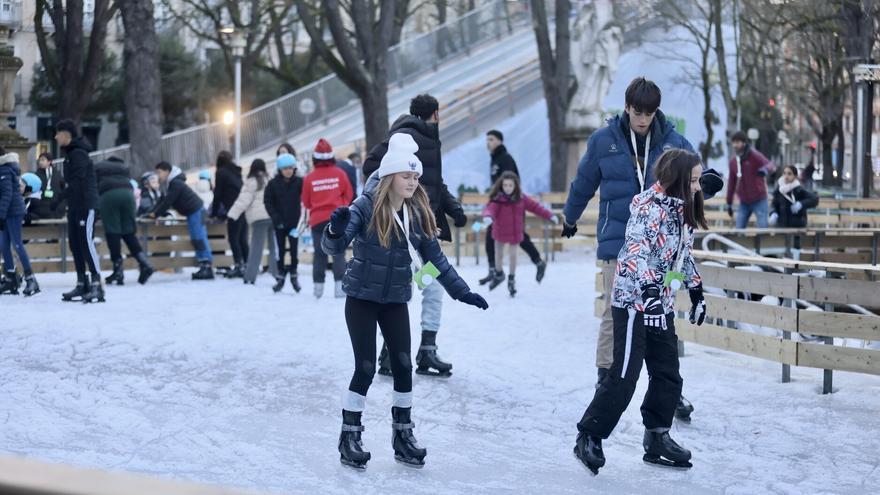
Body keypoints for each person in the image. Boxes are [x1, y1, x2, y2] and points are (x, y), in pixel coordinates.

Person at [323, 133, 488, 470]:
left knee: (403, 365)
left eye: (416, 177)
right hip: (362, 299)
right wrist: (335, 231)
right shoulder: (365, 206)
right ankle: (349, 435)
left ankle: (403, 435)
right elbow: (335, 250)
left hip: (396, 298)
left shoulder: (417, 213)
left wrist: (462, 291)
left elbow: (435, 259)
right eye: (406, 176)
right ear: (390, 177)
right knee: (366, 367)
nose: (413, 182)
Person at [561, 77, 720, 422]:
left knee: (660, 315)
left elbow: (695, 181)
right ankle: (606, 379)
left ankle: (667, 388)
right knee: (613, 313)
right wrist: (570, 218)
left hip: (661, 247)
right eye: (637, 112)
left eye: (649, 112)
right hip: (617, 241)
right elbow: (584, 182)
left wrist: (708, 185)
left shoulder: (675, 143)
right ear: (627, 107)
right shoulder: (604, 140)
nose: (643, 119)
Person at [573, 149, 708, 475]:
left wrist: (696, 288)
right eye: (692, 180)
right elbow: (635, 252)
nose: (697, 187)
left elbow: (681, 255)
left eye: (699, 180)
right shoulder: (648, 208)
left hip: (660, 303)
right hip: (634, 303)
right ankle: (589, 434)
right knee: (623, 375)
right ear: (676, 180)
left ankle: (657, 436)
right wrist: (648, 291)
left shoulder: (682, 210)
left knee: (668, 374)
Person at [363, 94, 468, 377]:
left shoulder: (428, 138)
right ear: (435, 113)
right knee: (407, 289)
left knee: (428, 286)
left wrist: (452, 208)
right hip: (404, 233)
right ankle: (393, 352)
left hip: (423, 234)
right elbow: (372, 167)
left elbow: (432, 183)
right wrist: (396, 205)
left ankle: (424, 351)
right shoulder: (406, 136)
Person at [479, 129, 548, 285]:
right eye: (487, 139)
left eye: (491, 139)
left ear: (499, 141)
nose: (488, 142)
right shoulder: (495, 158)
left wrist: (505, 202)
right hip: (499, 205)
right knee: (493, 234)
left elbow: (510, 184)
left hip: (510, 206)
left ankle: (535, 262)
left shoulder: (505, 159)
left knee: (518, 236)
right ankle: (495, 271)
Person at [482, 171, 557, 297]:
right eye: (505, 185)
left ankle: (511, 280)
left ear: (515, 186)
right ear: (501, 185)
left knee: (513, 256)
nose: (508, 188)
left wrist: (550, 215)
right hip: (499, 232)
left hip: (514, 233)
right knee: (498, 255)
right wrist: (488, 216)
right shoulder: (498, 199)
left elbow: (536, 207)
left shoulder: (521, 199)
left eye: (510, 185)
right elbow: (490, 209)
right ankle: (499, 274)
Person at [54, 119, 104, 303]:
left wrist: (58, 198)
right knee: (75, 244)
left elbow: (77, 182)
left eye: (57, 133)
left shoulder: (79, 154)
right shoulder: (70, 154)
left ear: (66, 134)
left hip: (86, 205)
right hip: (75, 206)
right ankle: (82, 283)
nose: (55, 137)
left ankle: (97, 285)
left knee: (86, 242)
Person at [302, 138, 353, 298]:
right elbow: (349, 195)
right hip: (336, 219)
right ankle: (340, 289)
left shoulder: (310, 178)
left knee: (319, 254)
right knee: (338, 252)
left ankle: (318, 290)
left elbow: (306, 201)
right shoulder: (340, 174)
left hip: (317, 220)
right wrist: (340, 205)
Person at [149, 162, 214, 280]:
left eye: (159, 172)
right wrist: (152, 212)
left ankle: (207, 266)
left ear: (167, 171)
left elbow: (168, 201)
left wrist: (156, 214)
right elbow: (163, 200)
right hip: (192, 212)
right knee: (196, 238)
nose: (158, 176)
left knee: (199, 238)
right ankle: (204, 265)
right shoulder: (172, 184)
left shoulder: (175, 183)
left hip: (196, 211)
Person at [95, 157, 155, 286]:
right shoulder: (123, 168)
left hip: (109, 195)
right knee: (128, 232)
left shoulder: (99, 166)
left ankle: (118, 270)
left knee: (113, 232)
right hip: (128, 195)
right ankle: (145, 263)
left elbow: (94, 186)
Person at [227, 159, 278, 285]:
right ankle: (277, 272)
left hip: (259, 219)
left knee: (256, 248)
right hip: (272, 216)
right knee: (274, 247)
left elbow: (243, 200)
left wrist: (232, 214)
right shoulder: (269, 179)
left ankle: (250, 276)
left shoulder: (251, 182)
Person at [0, 150, 39, 296]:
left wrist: (1, 215)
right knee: (3, 244)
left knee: (17, 244)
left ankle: (31, 279)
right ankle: (11, 278)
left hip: (13, 212)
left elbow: (7, 194)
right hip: (6, 212)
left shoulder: (4, 169)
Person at [264, 153, 304, 293]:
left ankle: (294, 274)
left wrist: (302, 220)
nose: (288, 171)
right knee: (280, 251)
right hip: (279, 223)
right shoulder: (272, 184)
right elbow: (268, 202)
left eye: (290, 168)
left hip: (294, 223)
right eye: (285, 168)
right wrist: (275, 218)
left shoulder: (300, 182)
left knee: (294, 251)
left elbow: (306, 200)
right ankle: (280, 275)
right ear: (280, 170)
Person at [211, 151, 249, 278]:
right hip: (243, 206)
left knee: (233, 237)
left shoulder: (221, 172)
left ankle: (239, 265)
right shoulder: (236, 172)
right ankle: (248, 264)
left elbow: (218, 194)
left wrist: (214, 212)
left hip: (233, 208)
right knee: (242, 237)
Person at [726, 130, 775, 228]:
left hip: (759, 199)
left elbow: (770, 165)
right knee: (738, 229)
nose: (735, 145)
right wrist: (729, 203)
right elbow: (731, 183)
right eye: (734, 142)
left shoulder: (754, 155)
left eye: (738, 142)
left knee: (762, 228)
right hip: (744, 201)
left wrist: (764, 169)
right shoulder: (733, 162)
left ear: (744, 143)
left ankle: (763, 243)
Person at [770, 165, 819, 256]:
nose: (786, 176)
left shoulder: (799, 190)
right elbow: (774, 204)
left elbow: (814, 199)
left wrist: (801, 204)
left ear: (795, 176)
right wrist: (773, 213)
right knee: (781, 250)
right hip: (782, 226)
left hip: (797, 228)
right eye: (784, 173)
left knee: (796, 252)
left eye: (789, 174)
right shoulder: (779, 190)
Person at [32, 152, 66, 220]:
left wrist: (62, 205)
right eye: (40, 160)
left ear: (49, 162)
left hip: (57, 209)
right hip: (42, 209)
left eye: (43, 160)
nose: (40, 162)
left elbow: (62, 188)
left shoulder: (56, 174)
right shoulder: (36, 175)